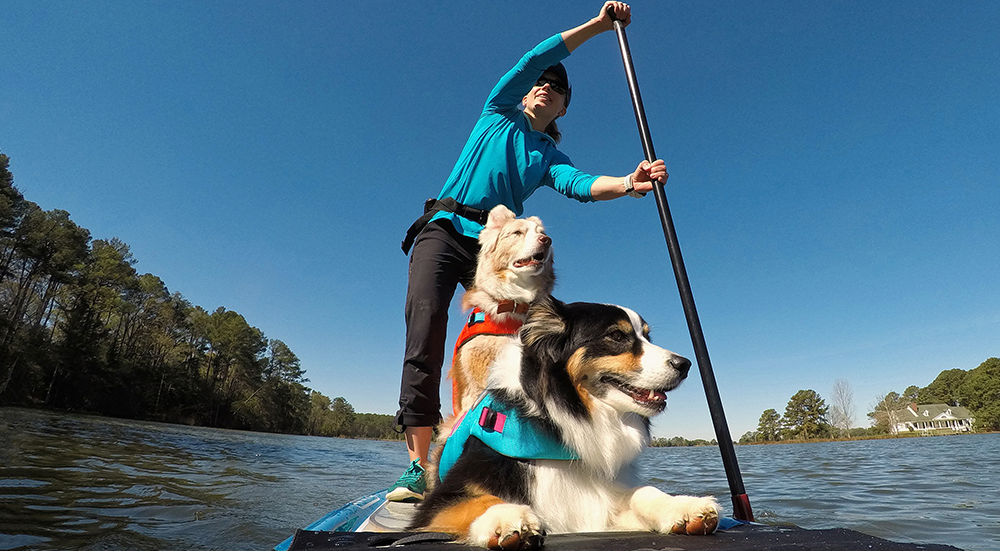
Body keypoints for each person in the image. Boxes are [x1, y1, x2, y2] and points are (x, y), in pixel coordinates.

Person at [389, 1, 666, 502]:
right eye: (544, 81)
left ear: (563, 109)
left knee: (527, 339)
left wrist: (629, 181)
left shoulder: (547, 156)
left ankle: (523, 447)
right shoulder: (498, 114)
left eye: (559, 89)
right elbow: (529, 61)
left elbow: (580, 184)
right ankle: (416, 465)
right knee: (426, 324)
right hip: (447, 230)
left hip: (504, 249)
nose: (547, 87)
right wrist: (599, 27)